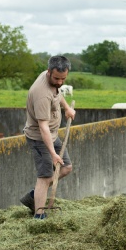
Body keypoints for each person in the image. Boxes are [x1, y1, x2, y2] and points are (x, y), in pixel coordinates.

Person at [20, 56, 76, 219]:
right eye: (57, 78)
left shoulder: (52, 81)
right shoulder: (41, 94)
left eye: (63, 79)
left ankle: (35, 194)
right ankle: (39, 215)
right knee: (44, 177)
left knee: (66, 168)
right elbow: (43, 127)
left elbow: (57, 95)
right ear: (49, 72)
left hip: (52, 135)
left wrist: (66, 108)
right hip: (40, 138)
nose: (60, 82)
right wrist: (52, 154)